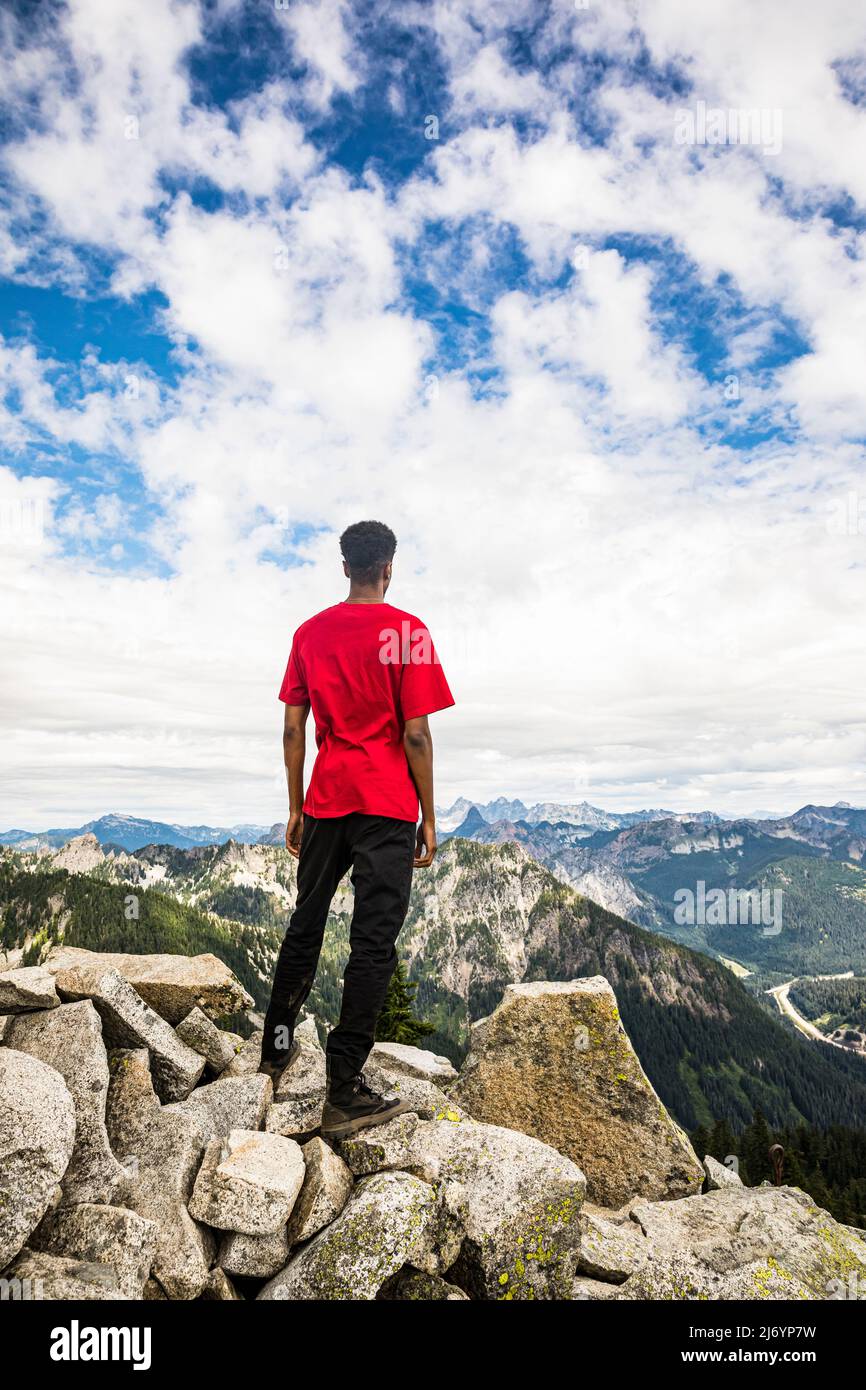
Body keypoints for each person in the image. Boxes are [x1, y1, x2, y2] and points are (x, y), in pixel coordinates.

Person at [260, 519, 454, 1140]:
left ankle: (276, 1049)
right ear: (389, 566)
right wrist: (429, 814)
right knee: (373, 944)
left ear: (345, 567)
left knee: (305, 923)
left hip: (326, 800)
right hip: (388, 808)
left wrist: (295, 806)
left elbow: (293, 730)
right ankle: (342, 1087)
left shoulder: (309, 634)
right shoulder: (409, 633)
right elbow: (416, 732)